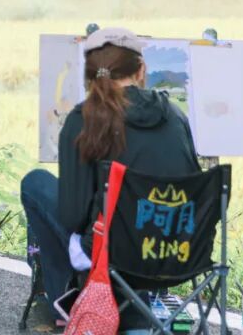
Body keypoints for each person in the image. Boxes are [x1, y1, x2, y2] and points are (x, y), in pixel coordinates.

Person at [20, 27, 200, 329]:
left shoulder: (82, 119)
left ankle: (69, 300)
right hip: (176, 254)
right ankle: (116, 305)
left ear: (90, 75)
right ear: (141, 70)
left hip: (113, 256)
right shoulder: (176, 116)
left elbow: (73, 217)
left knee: (35, 183)